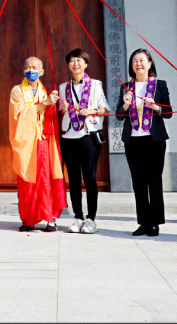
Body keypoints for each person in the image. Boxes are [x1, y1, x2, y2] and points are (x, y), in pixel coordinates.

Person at [116, 48, 172, 237]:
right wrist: (125, 103)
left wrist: (155, 106)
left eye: (141, 60)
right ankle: (143, 222)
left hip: (154, 139)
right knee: (138, 183)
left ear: (149, 64)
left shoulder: (160, 85)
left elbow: (169, 112)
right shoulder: (126, 86)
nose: (138, 64)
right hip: (133, 140)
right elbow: (118, 115)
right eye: (134, 61)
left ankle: (155, 222)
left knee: (154, 181)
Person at [9, 56, 67, 232]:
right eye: (27, 67)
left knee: (47, 179)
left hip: (45, 142)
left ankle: (50, 218)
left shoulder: (48, 91)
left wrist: (58, 106)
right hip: (27, 143)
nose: (31, 70)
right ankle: (29, 218)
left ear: (41, 72)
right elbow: (17, 115)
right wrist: (43, 104)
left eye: (35, 67)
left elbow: (57, 116)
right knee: (28, 181)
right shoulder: (17, 91)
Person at [58, 49, 109, 234]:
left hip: (88, 136)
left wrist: (92, 111)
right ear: (68, 65)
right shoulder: (63, 87)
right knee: (73, 178)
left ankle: (91, 218)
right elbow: (60, 112)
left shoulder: (95, 84)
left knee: (90, 178)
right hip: (69, 136)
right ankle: (78, 216)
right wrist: (63, 109)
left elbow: (104, 108)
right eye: (72, 61)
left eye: (79, 60)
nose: (76, 64)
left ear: (86, 64)